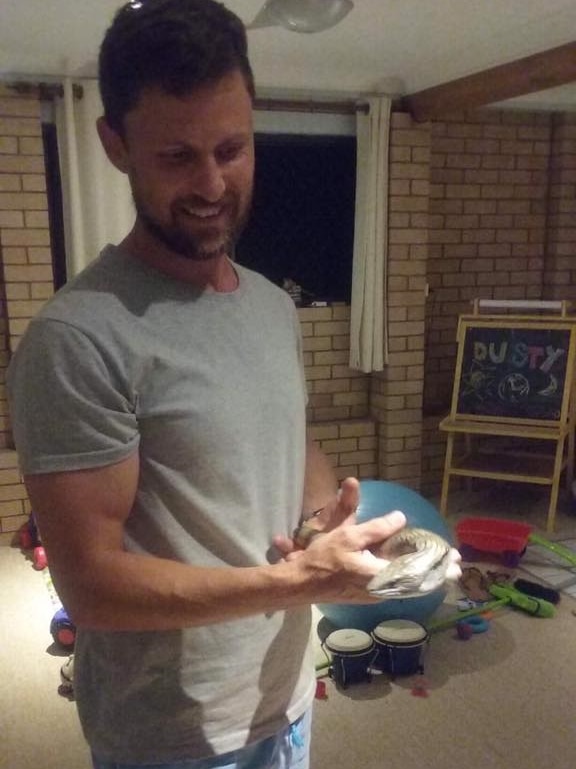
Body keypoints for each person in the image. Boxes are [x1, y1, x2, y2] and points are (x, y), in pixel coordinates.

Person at [7, 2, 459, 768]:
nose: (213, 182)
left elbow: (288, 434)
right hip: (172, 735)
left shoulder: (269, 305)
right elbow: (92, 583)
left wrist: (321, 522)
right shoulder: (78, 337)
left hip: (282, 696)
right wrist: (294, 583)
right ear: (114, 145)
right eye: (177, 156)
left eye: (233, 147)